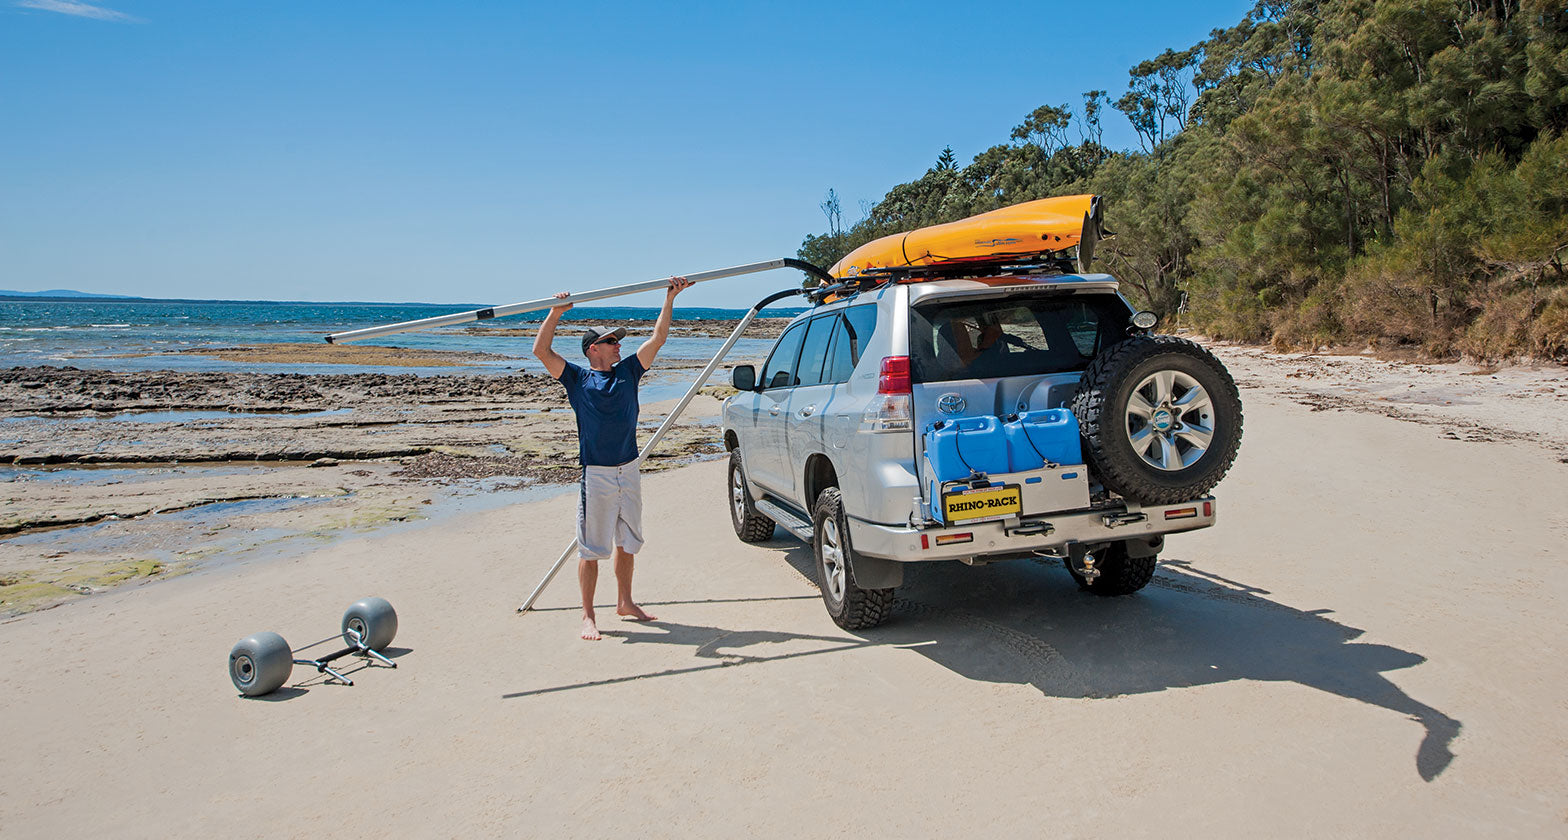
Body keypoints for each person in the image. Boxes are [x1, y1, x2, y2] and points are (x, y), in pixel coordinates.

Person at [532, 276, 694, 640]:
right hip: (597, 475)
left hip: (629, 468)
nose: (619, 345)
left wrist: (669, 299)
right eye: (611, 341)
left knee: (628, 541)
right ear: (593, 349)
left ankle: (625, 602)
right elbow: (541, 351)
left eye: (618, 341)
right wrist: (555, 313)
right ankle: (588, 615)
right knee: (591, 549)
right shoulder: (576, 379)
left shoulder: (628, 373)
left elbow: (658, 339)